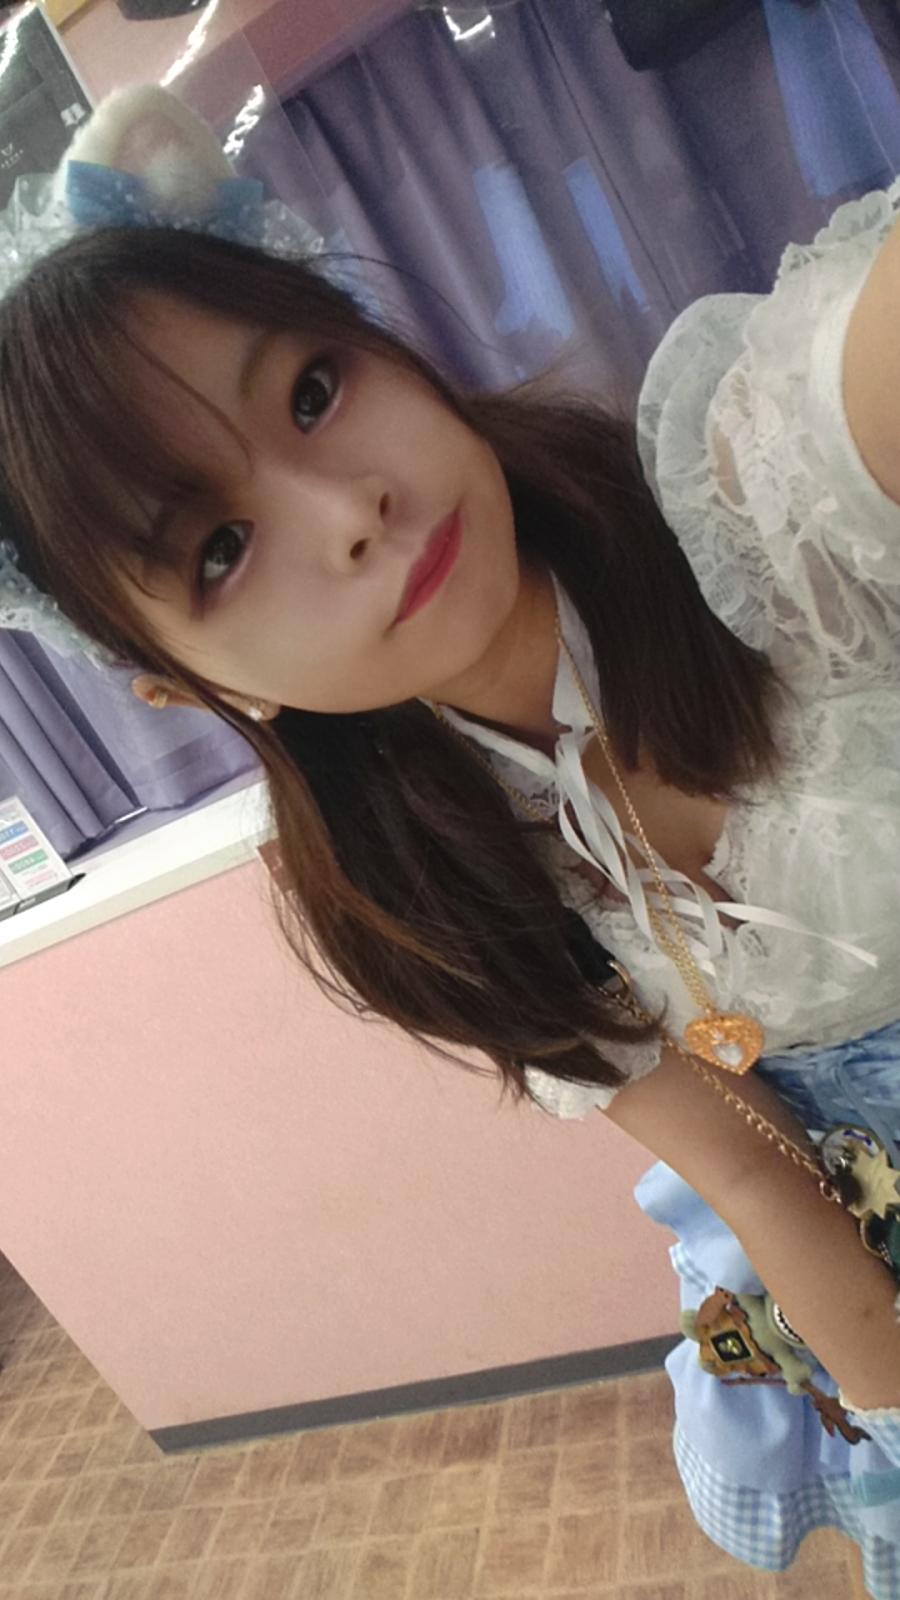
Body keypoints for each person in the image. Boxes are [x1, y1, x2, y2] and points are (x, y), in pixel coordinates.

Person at [1, 84, 899, 1596]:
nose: (345, 508)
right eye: (219, 549)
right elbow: (755, 1180)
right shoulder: (428, 885)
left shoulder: (760, 499)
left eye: (312, 391)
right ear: (182, 684)